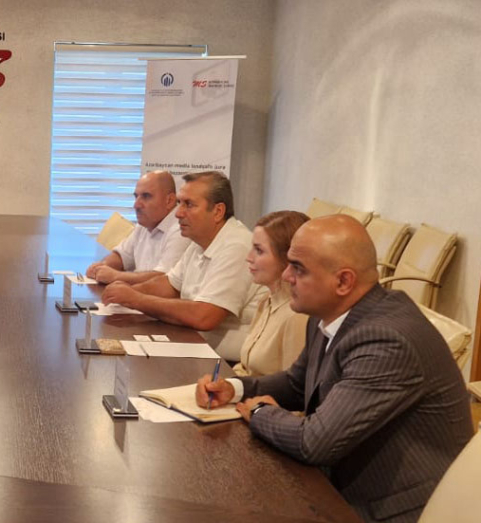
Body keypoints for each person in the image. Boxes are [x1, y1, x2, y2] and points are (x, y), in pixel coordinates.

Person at [196, 215, 472, 523]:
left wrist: (260, 412)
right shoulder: (328, 312)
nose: (286, 276)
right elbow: (298, 384)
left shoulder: (385, 339)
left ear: (343, 281)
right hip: (339, 485)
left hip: (387, 509)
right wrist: (235, 389)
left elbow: (315, 442)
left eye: (298, 268)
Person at [101, 171, 263, 360]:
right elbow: (169, 284)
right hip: (195, 347)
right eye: (179, 203)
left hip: (227, 363)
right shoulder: (200, 240)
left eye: (189, 204)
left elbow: (204, 316)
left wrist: (136, 299)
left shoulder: (236, 246)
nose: (178, 213)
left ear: (218, 211)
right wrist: (126, 293)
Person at [233, 210, 310, 376]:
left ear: (287, 259)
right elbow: (245, 366)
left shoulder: (296, 317)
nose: (249, 257)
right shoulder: (266, 301)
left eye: (259, 251)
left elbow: (292, 385)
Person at [85, 171, 189, 285]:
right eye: (136, 196)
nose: (136, 205)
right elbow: (121, 256)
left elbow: (164, 279)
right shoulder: (145, 224)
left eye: (146, 196)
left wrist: (115, 276)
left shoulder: (181, 229)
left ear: (169, 201)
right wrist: (102, 267)